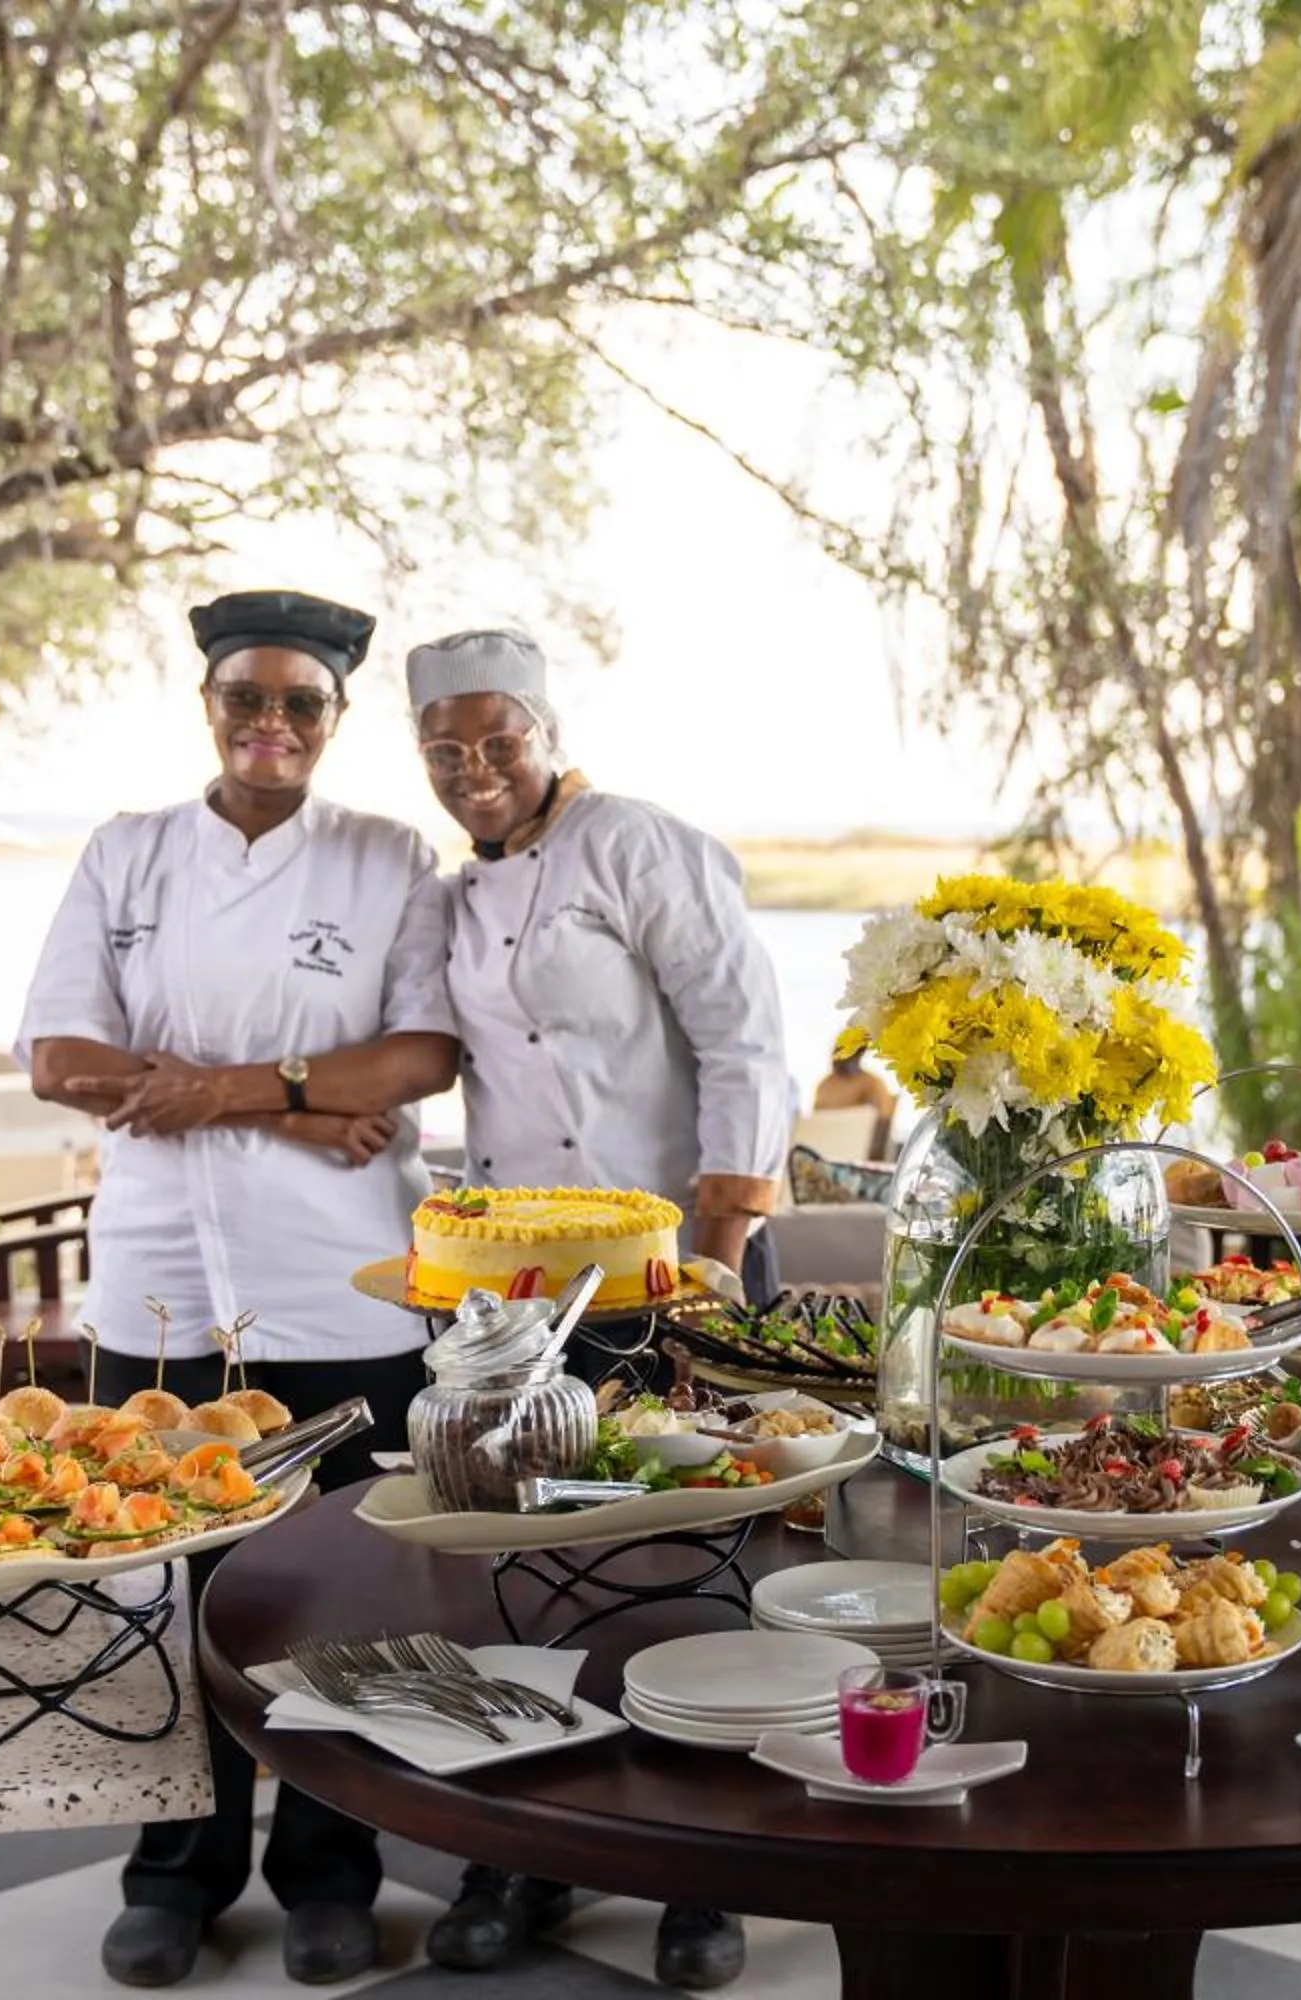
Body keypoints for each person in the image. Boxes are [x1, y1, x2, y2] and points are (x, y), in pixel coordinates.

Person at [16, 588, 457, 1990]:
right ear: (208, 706)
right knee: (169, 1583)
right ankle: (174, 1873)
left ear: (333, 719)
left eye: (301, 704)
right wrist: (286, 1106)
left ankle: (331, 1870)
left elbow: (420, 1059)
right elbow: (57, 1060)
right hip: (156, 1283)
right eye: (245, 698)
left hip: (343, 1285)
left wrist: (226, 1087)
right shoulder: (129, 853)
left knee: (340, 1590)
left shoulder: (389, 857)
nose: (271, 724)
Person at [404, 627, 789, 1992]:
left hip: (674, 1270)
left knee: (686, 1565)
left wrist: (726, 1244)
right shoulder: (457, 893)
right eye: (443, 752)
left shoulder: (638, 842)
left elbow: (745, 1036)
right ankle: (522, 1852)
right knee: (519, 1568)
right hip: (515, 1294)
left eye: (497, 739)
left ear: (547, 727)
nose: (475, 770)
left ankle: (698, 1866)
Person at [812, 1038, 898, 1159]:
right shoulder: (824, 1085)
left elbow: (883, 1125)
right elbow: (816, 1122)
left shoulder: (872, 1084)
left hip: (856, 1156)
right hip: (823, 1153)